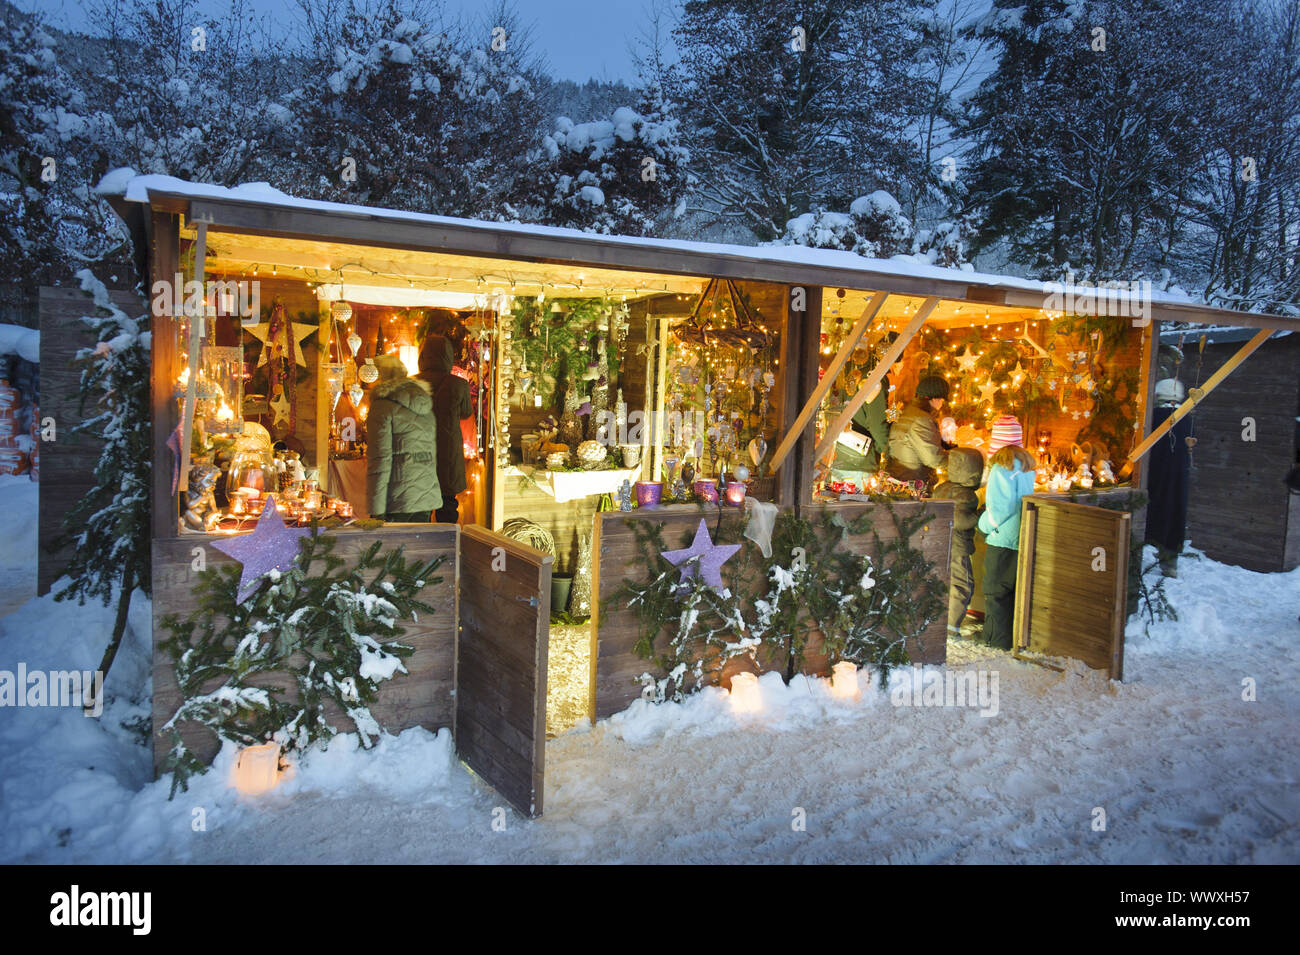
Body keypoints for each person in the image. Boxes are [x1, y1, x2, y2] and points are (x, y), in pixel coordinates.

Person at [978, 417, 1036, 651]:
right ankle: (1009, 637)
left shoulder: (1002, 468)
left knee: (995, 590)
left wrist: (984, 525)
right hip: (1021, 536)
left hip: (1002, 538)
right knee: (1011, 591)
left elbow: (999, 509)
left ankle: (994, 639)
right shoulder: (1026, 466)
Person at [366, 354, 442, 522]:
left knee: (392, 548)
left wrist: (376, 510)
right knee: (419, 546)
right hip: (426, 494)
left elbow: (380, 460)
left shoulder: (382, 407)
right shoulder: (423, 402)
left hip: (397, 498)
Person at [418, 335, 473, 524]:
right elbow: (466, 413)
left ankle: (422, 549)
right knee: (448, 506)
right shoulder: (459, 384)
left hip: (420, 450)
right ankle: (447, 550)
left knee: (420, 507)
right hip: (448, 452)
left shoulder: (412, 384)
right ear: (447, 355)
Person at [932, 447, 984, 640]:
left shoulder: (942, 487)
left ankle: (940, 621)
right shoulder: (967, 495)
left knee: (944, 582)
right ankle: (951, 627)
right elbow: (961, 521)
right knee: (962, 584)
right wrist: (979, 515)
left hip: (939, 542)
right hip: (957, 545)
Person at [1145, 376, 1192, 577]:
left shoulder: (1153, 416)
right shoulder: (1186, 418)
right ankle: (1169, 562)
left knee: (1149, 513)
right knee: (1173, 515)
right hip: (1178, 478)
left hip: (1153, 476)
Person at [888, 375, 950, 488]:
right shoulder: (922, 419)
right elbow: (933, 458)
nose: (942, 404)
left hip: (901, 476)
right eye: (942, 399)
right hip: (913, 481)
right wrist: (958, 462)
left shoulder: (909, 412)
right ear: (935, 398)